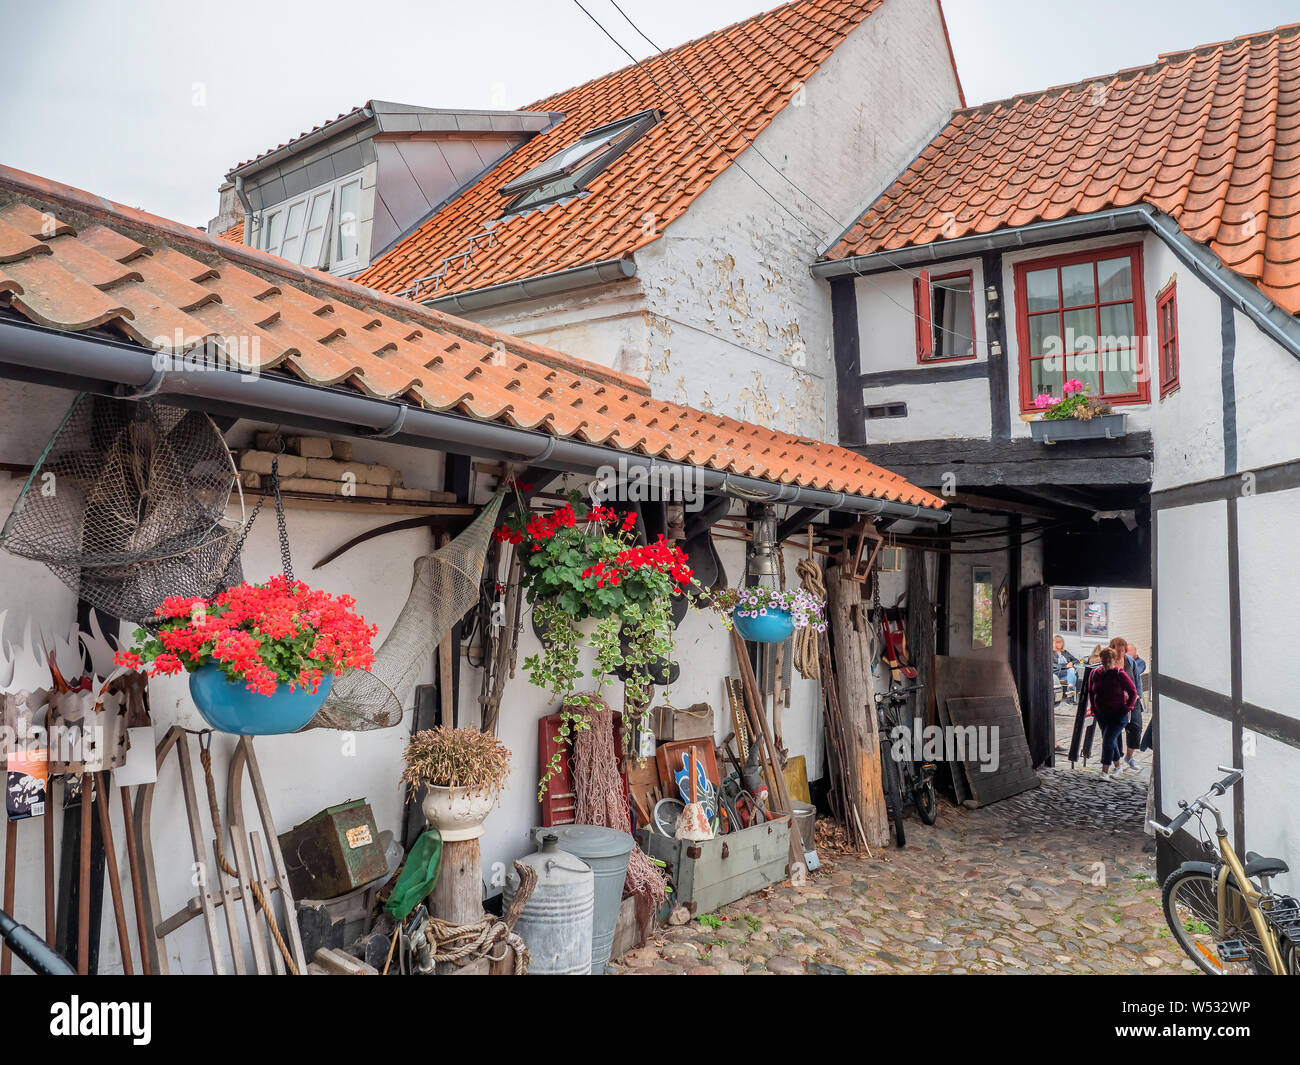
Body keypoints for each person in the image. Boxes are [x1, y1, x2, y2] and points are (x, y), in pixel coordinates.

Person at [1089, 647, 1138, 780]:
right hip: (1102, 714)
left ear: (1114, 660)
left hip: (1118, 715)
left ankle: (1104, 772)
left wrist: (1128, 708)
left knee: (1108, 740)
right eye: (1104, 660)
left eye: (1109, 660)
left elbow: (1133, 692)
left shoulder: (1119, 674)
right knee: (1111, 741)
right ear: (1101, 660)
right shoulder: (1095, 674)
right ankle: (1118, 767)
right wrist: (1094, 708)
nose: (1107, 663)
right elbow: (1091, 692)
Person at [1109, 636, 1144, 770]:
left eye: (1123, 650)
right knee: (1115, 731)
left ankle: (1129, 757)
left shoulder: (1129, 661)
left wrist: (1138, 696)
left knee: (1136, 727)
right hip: (1115, 703)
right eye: (1118, 650)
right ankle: (1116, 759)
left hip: (1132, 700)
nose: (1121, 653)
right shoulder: (1109, 662)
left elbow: (1137, 678)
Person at [1052, 634, 1080, 701]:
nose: (1060, 644)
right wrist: (1066, 666)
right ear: (1054, 643)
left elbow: (1076, 660)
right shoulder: (1051, 653)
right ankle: (1070, 695)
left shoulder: (1065, 652)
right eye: (1058, 642)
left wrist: (1071, 663)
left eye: (1061, 642)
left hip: (1066, 674)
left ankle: (1069, 695)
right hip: (1056, 674)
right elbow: (1052, 665)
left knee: (1072, 673)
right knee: (1071, 671)